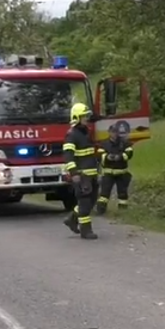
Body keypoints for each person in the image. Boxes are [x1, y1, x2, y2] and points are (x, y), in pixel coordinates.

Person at [62, 102, 100, 240]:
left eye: (87, 116)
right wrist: (74, 173)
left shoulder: (85, 132)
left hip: (92, 174)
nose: (86, 119)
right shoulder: (72, 135)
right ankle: (86, 231)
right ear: (76, 117)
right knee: (84, 203)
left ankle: (72, 219)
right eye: (84, 116)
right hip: (81, 175)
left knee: (91, 201)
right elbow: (68, 155)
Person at [96, 124, 134, 215]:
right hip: (108, 173)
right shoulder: (104, 143)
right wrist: (107, 157)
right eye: (113, 132)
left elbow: (129, 153)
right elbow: (99, 156)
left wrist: (120, 157)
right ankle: (100, 210)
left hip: (122, 173)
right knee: (104, 194)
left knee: (122, 194)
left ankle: (123, 211)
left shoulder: (125, 142)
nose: (115, 134)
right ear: (109, 132)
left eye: (116, 132)